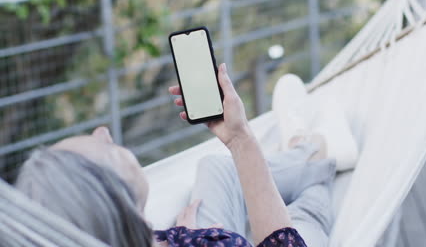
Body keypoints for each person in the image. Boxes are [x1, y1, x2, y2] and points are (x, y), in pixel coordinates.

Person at [15, 63, 357, 247]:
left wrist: (177, 237)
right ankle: (315, 157)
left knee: (213, 167)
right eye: (104, 148)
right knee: (303, 221)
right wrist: (240, 137)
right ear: (115, 207)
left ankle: (304, 147)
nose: (103, 131)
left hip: (198, 235)